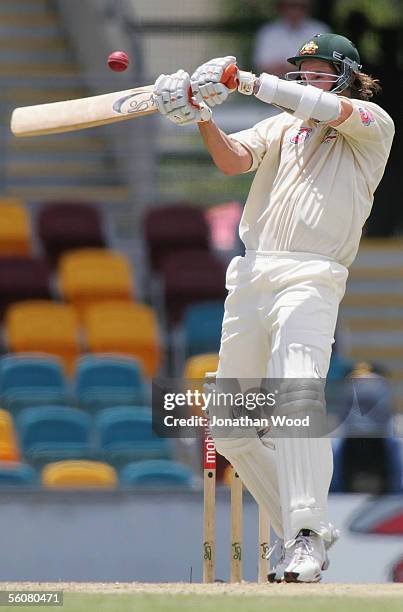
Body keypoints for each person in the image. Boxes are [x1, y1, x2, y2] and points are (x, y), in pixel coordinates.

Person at [153, 33, 394, 582]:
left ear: (347, 75)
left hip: (311, 275)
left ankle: (307, 532)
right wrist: (200, 117)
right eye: (302, 71)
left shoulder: (372, 125)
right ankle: (298, 530)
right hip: (254, 271)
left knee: (294, 393)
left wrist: (248, 82)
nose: (308, 80)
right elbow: (233, 162)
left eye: (318, 70)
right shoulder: (283, 126)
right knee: (231, 426)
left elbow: (325, 107)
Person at [253, 0, 330, 76]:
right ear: (281, 7)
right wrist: (303, 66)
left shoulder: (320, 30)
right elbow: (264, 66)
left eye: (300, 6)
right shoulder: (268, 32)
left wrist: (285, 66)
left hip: (313, 86)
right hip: (275, 85)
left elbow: (326, 65)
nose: (295, 10)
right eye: (291, 5)